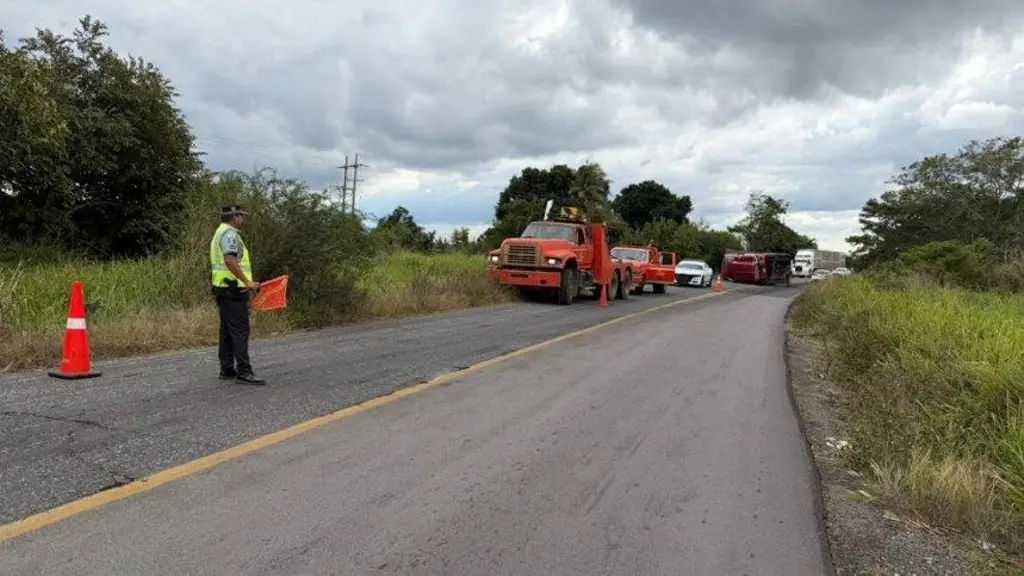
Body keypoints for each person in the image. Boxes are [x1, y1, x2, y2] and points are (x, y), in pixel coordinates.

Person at [209, 205, 265, 385]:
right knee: (240, 331)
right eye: (241, 216)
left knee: (227, 331)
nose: (243, 219)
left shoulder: (219, 232)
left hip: (222, 288)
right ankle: (244, 371)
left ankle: (227, 368)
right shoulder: (230, 234)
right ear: (234, 217)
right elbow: (229, 259)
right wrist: (248, 282)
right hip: (233, 290)